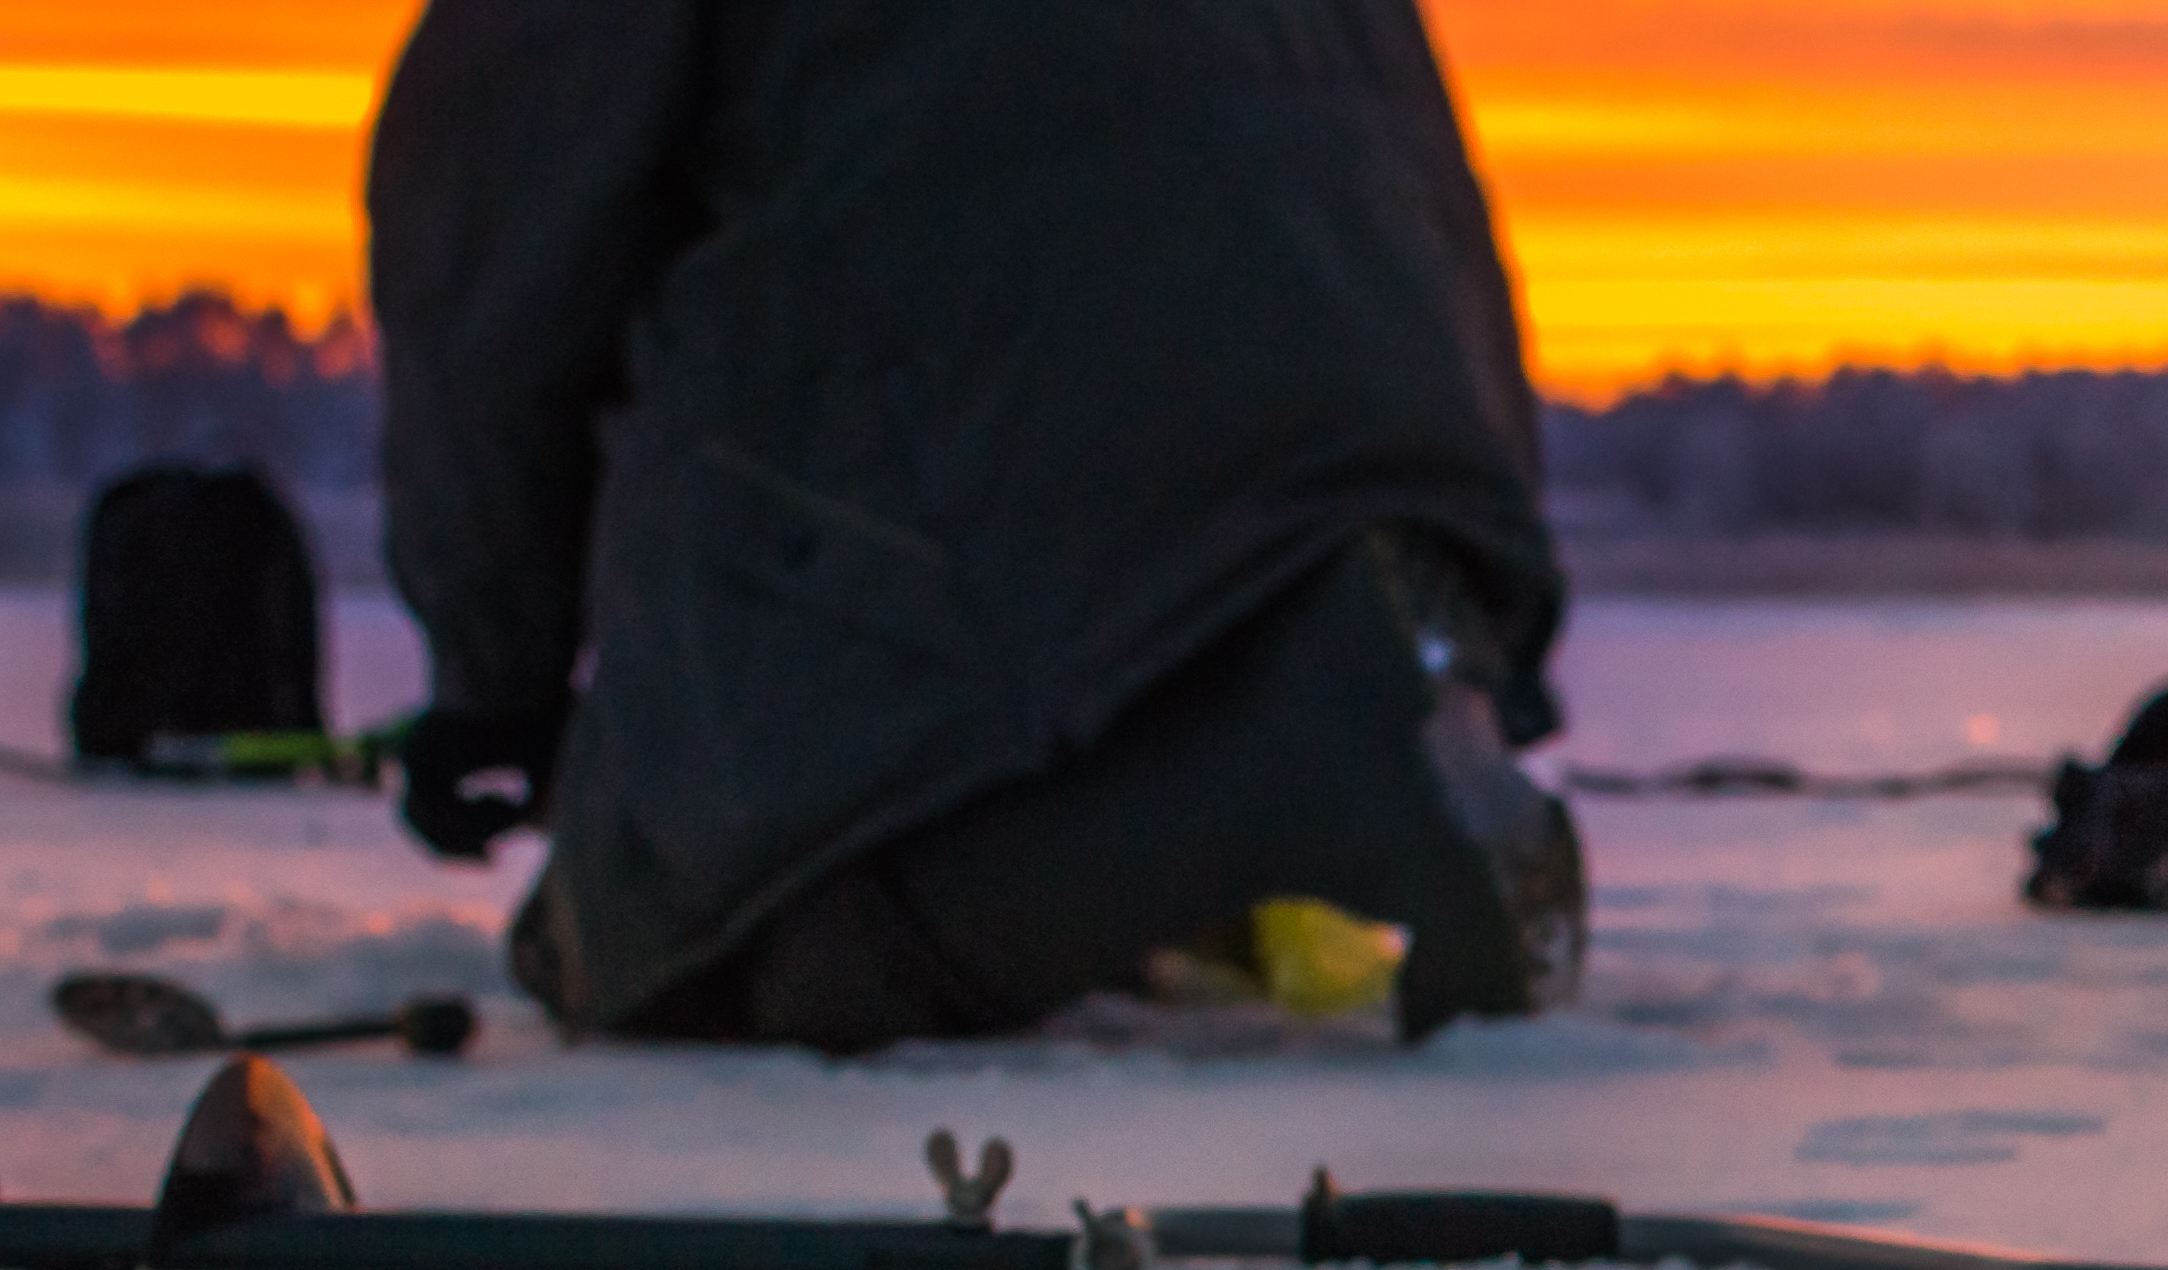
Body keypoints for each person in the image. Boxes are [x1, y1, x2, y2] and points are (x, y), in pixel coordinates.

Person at [367, 0, 1584, 1052]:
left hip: (996, 480)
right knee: (1106, 681)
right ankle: (1365, 702)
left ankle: (1290, 764)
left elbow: (482, 249)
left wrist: (495, 679)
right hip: (1373, 469)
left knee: (673, 960)